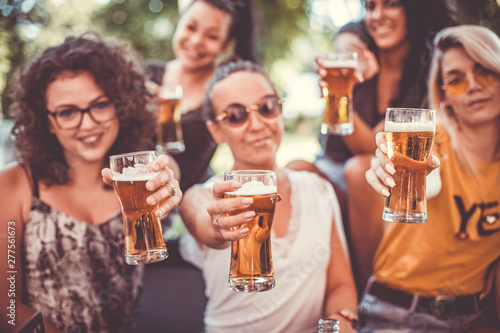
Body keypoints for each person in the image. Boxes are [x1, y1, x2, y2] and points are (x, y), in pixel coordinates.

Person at [0, 32, 181, 333]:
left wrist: (170, 182)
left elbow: (172, 173)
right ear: (46, 121)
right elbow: (5, 309)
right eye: (68, 112)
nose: (88, 124)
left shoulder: (140, 177)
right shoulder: (14, 185)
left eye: (100, 105)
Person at [178, 58, 358, 333]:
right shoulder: (206, 196)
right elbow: (203, 218)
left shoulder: (317, 189)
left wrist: (341, 323)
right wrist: (217, 226)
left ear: (280, 110)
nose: (257, 124)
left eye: (267, 107)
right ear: (216, 131)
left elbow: (340, 284)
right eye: (236, 115)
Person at [288, 0, 458, 292]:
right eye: (370, 6)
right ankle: (303, 292)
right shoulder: (359, 36)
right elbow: (346, 41)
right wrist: (353, 61)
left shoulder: (424, 71)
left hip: (382, 177)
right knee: (295, 170)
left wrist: (337, 99)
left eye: (391, 5)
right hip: (332, 168)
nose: (377, 16)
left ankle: (371, 293)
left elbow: (375, 147)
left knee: (359, 169)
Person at [362, 25, 500, 332]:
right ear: (444, 96)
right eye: (455, 80)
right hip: (398, 313)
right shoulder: (430, 140)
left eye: (486, 72)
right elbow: (425, 174)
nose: (474, 86)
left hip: (478, 317)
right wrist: (387, 168)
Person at [144, 0, 257, 193]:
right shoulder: (147, 75)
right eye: (190, 27)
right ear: (178, 24)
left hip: (181, 203)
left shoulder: (223, 92)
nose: (196, 41)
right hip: (132, 192)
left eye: (212, 36)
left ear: (225, 44)